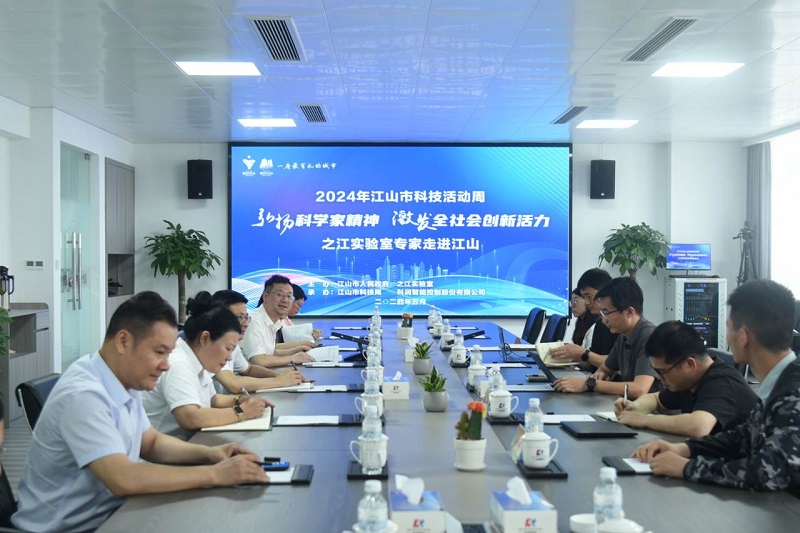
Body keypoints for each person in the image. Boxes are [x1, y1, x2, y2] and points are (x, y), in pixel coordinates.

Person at [12, 292, 268, 532]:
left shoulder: (123, 378)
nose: (165, 365)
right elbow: (122, 478)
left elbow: (151, 442)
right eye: (159, 352)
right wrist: (215, 474)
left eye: (168, 353)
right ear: (123, 341)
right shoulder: (84, 394)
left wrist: (211, 454)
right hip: (72, 528)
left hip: (111, 514)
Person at [632, 280, 800, 495]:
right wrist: (684, 449)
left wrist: (687, 468)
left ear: (743, 336)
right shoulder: (778, 384)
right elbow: (743, 437)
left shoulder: (792, 393)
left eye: (728, 328)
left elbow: (768, 472)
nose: (727, 338)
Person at [143, 292, 270, 440]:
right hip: (166, 450)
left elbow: (213, 399)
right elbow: (190, 417)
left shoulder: (198, 359)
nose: (229, 357)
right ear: (205, 338)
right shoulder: (179, 362)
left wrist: (240, 400)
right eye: (228, 348)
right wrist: (242, 412)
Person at [614, 320, 757, 437]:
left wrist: (644, 420)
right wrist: (635, 407)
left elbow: (698, 426)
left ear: (689, 364)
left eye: (662, 371)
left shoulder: (722, 382)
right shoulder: (688, 381)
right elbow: (656, 400)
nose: (659, 377)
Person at [554, 276, 659, 398]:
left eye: (607, 313)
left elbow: (639, 389)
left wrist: (590, 384)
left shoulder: (650, 337)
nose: (604, 320)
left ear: (629, 312)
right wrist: (599, 375)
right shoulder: (623, 336)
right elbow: (605, 369)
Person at [211, 289, 305, 393]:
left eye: (246, 317)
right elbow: (233, 384)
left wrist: (280, 375)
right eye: (240, 317)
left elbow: (249, 370)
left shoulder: (231, 342)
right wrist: (278, 381)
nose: (246, 324)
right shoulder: (212, 343)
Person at [241, 275, 316, 368]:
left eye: (289, 296)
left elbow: (270, 352)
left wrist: (296, 350)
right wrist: (292, 358)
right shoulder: (253, 321)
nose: (285, 300)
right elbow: (258, 360)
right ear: (266, 296)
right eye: (279, 295)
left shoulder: (274, 322)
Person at [550, 268, 618, 370]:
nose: (586, 302)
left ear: (604, 292)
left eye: (589, 296)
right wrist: (568, 353)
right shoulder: (600, 324)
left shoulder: (621, 326)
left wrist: (583, 352)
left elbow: (619, 365)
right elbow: (591, 364)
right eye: (584, 297)